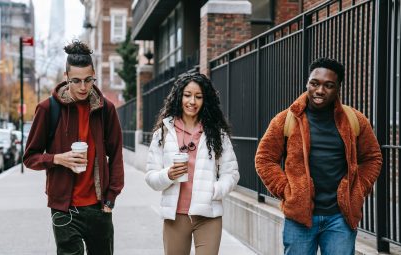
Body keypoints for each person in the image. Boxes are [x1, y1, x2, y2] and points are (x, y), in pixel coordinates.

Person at [255, 58, 382, 255]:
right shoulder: (286, 119)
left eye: (328, 85)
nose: (320, 90)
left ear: (338, 87)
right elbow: (264, 158)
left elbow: (373, 157)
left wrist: (358, 188)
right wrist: (287, 190)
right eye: (314, 83)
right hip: (299, 218)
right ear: (307, 83)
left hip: (340, 218)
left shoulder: (355, 120)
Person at [23, 40, 124, 255]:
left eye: (88, 80)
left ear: (94, 74)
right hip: (64, 209)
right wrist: (58, 159)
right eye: (76, 81)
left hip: (99, 207)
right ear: (66, 77)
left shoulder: (106, 109)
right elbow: (30, 157)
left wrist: (110, 199)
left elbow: (116, 155)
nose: (83, 87)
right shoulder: (47, 109)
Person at [145, 72, 240, 255]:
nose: (192, 101)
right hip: (175, 216)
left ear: (206, 100)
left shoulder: (216, 134)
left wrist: (215, 190)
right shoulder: (163, 133)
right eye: (187, 95)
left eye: (198, 96)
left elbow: (232, 173)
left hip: (208, 215)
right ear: (179, 96)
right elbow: (150, 176)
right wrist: (168, 175)